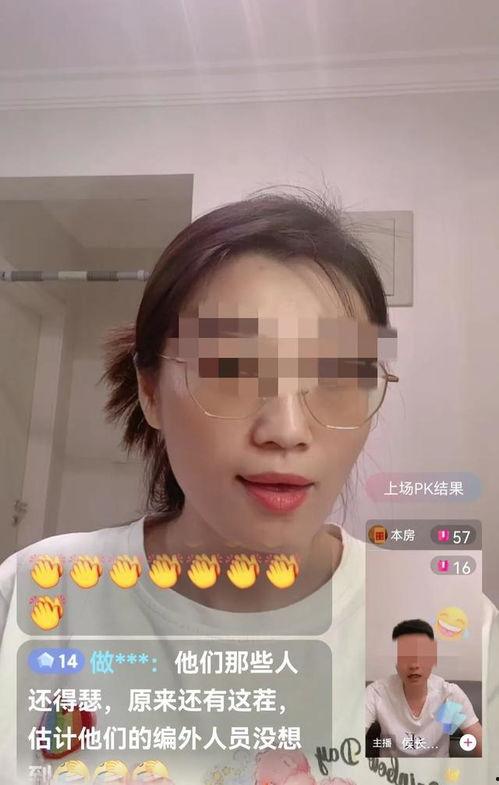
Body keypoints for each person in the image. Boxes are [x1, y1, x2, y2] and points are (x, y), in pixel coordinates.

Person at [0, 187, 497, 785]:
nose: (287, 430)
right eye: (231, 369)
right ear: (151, 392)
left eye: (339, 374)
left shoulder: (451, 626)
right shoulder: (38, 597)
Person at [365, 619, 482, 758]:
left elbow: (482, 746)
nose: (414, 665)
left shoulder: (448, 697)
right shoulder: (377, 693)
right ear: (396, 662)